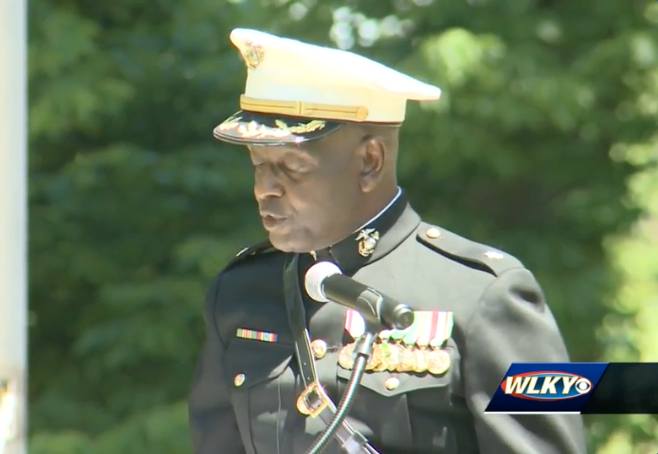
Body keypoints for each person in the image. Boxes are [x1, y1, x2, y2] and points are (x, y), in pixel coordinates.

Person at [187, 28, 587, 454]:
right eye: (258, 164)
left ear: (370, 161)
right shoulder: (240, 294)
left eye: (291, 165)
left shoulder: (486, 294)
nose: (264, 188)